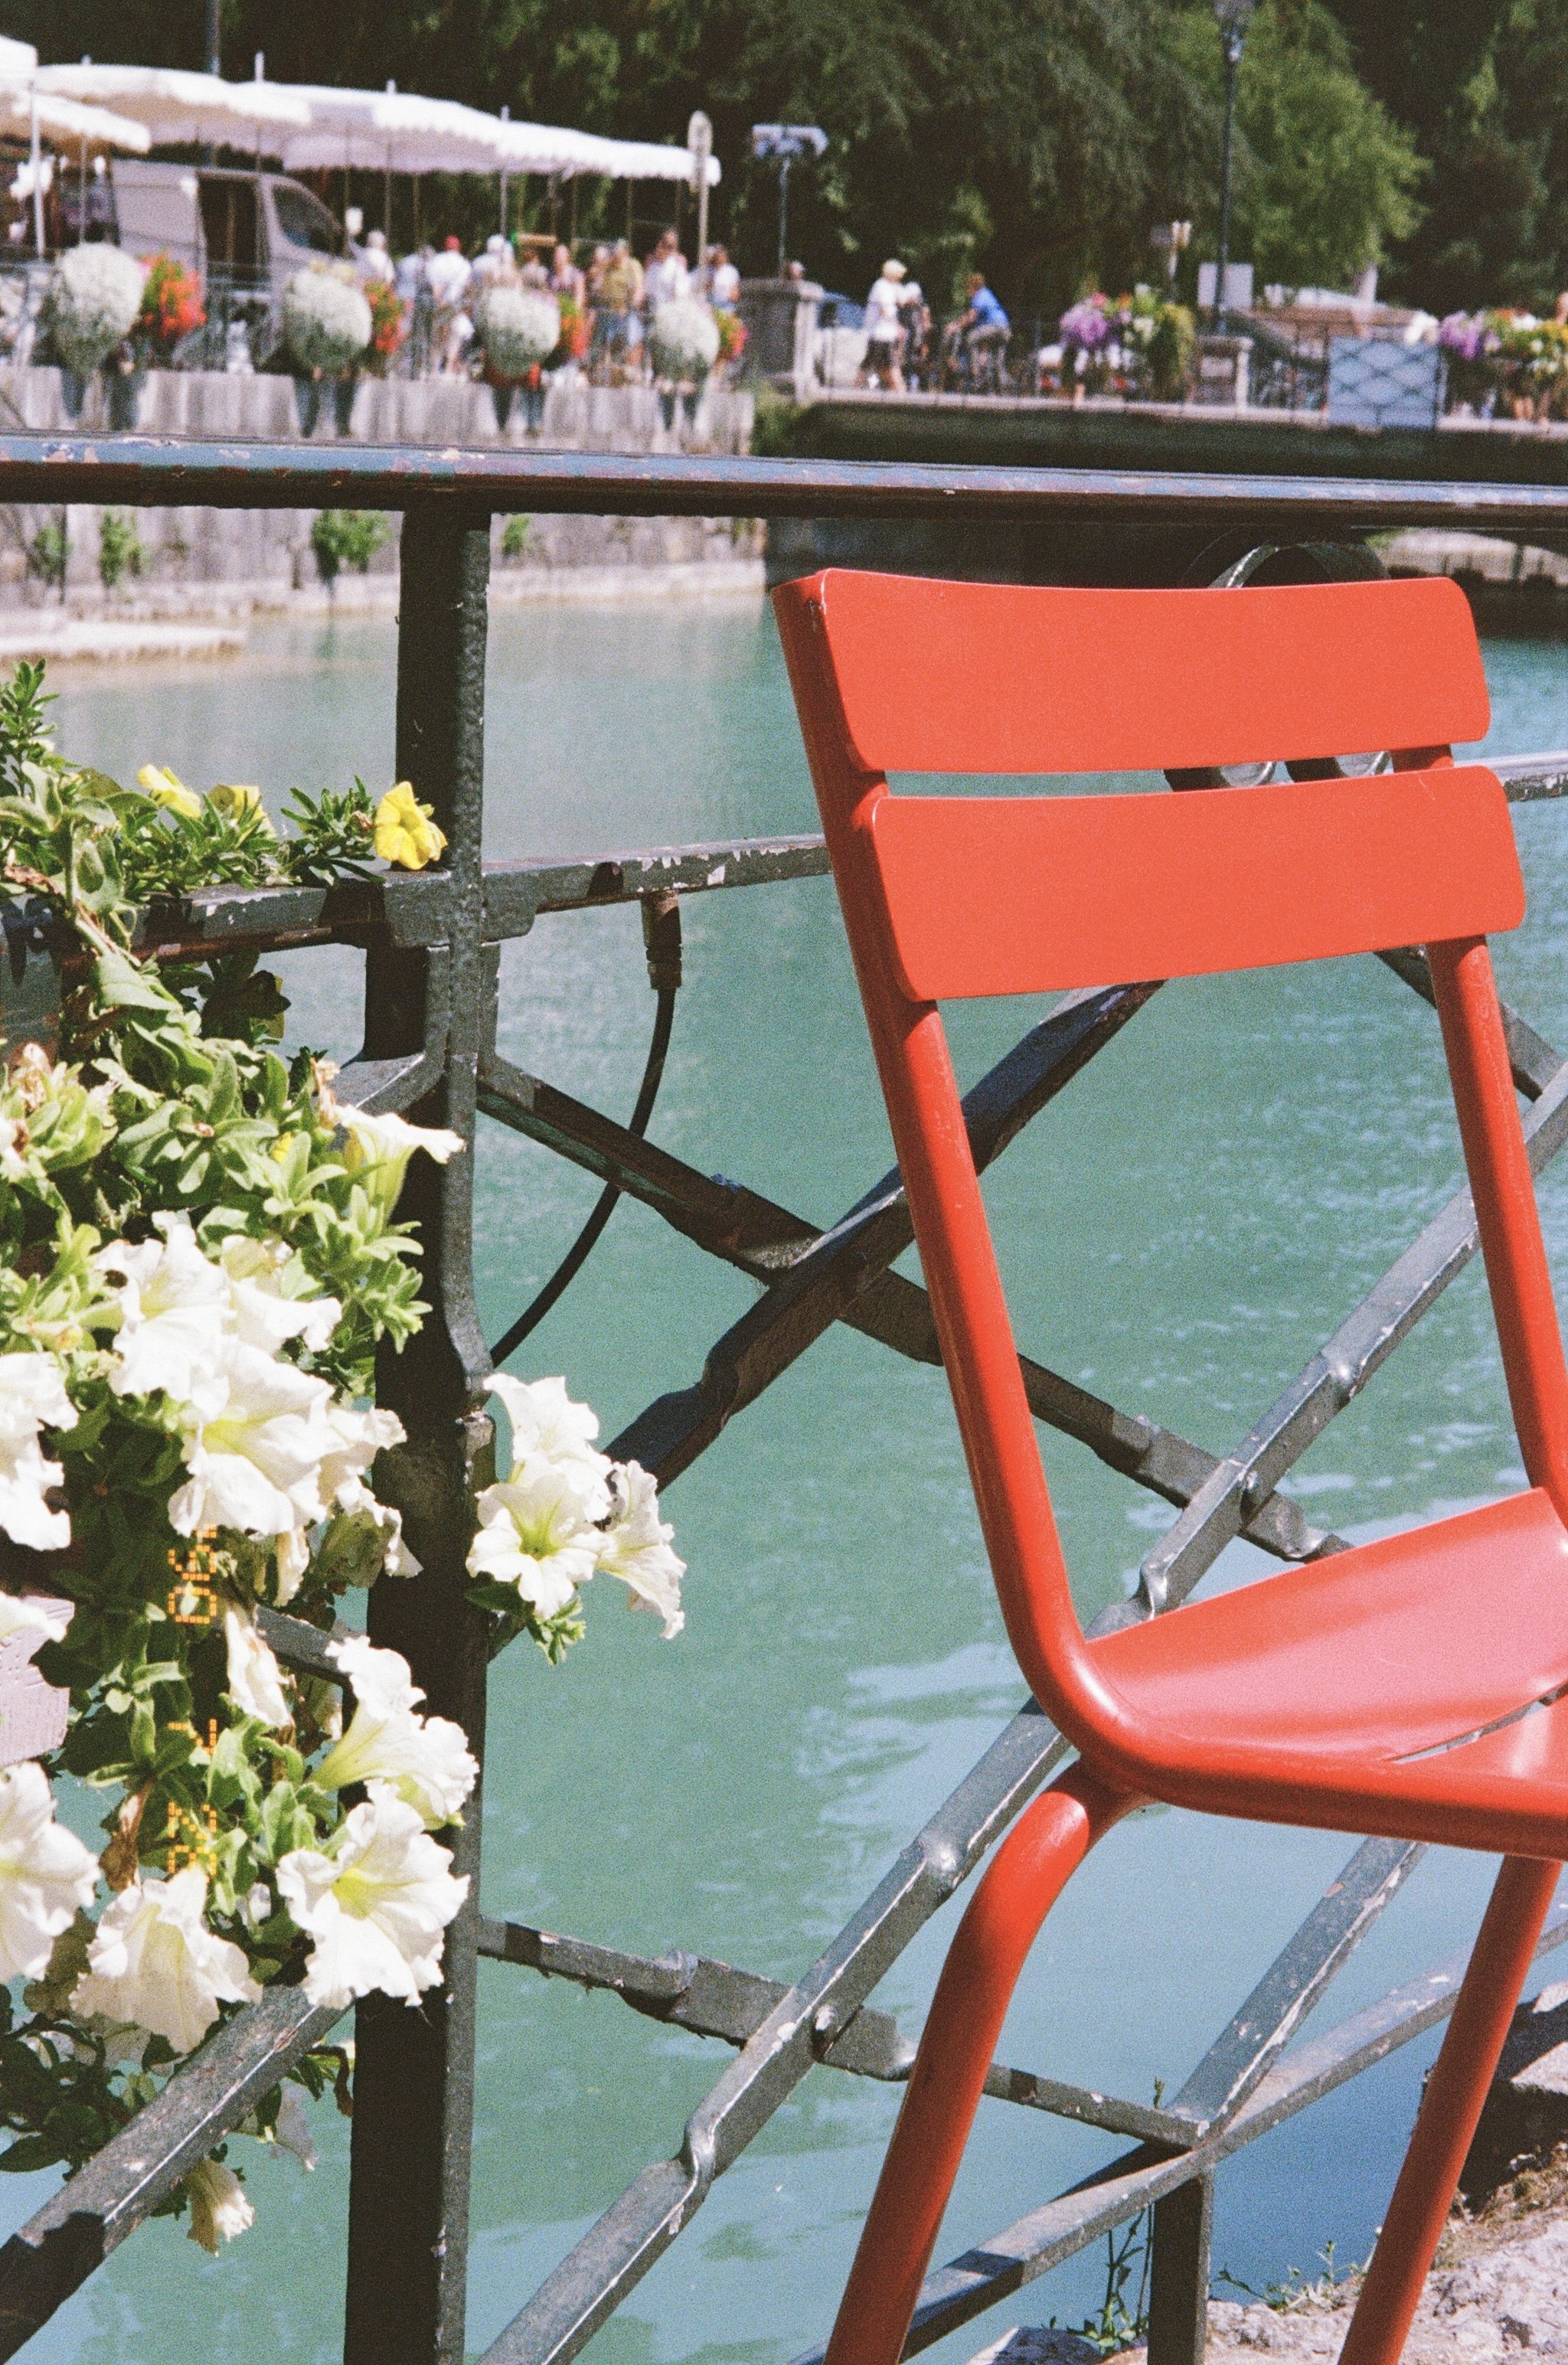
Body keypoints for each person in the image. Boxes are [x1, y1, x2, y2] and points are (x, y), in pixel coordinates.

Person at [426, 235, 473, 375]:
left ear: (445, 247)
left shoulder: (435, 261)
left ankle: (434, 369)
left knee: (437, 338)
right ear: (458, 248)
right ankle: (448, 370)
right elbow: (467, 288)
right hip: (456, 306)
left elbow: (432, 285)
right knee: (455, 337)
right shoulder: (464, 263)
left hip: (439, 304)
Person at [858, 257, 907, 391]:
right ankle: (902, 394)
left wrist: (899, 291)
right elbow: (885, 310)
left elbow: (903, 301)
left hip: (883, 334)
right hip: (881, 334)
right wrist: (898, 327)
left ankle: (856, 388)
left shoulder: (890, 286)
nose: (899, 277)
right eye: (898, 274)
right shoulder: (881, 286)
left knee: (875, 366)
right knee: (889, 366)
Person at [956, 270, 1010, 390]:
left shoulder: (980, 295)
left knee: (971, 339)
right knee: (997, 362)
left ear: (973, 286)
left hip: (996, 327)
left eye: (967, 287)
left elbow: (971, 317)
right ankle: (1004, 387)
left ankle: (976, 376)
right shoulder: (988, 294)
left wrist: (955, 326)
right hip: (1005, 328)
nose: (967, 291)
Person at [645, 226, 691, 310]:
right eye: (664, 244)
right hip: (653, 308)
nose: (667, 248)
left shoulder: (678, 264)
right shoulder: (653, 265)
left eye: (670, 246)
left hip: (669, 309)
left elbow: (680, 293)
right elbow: (647, 290)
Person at [702, 243, 740, 313]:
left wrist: (733, 297)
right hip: (713, 303)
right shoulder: (710, 270)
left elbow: (735, 291)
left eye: (722, 255)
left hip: (727, 304)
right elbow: (706, 287)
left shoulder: (731, 270)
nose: (719, 257)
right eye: (717, 255)